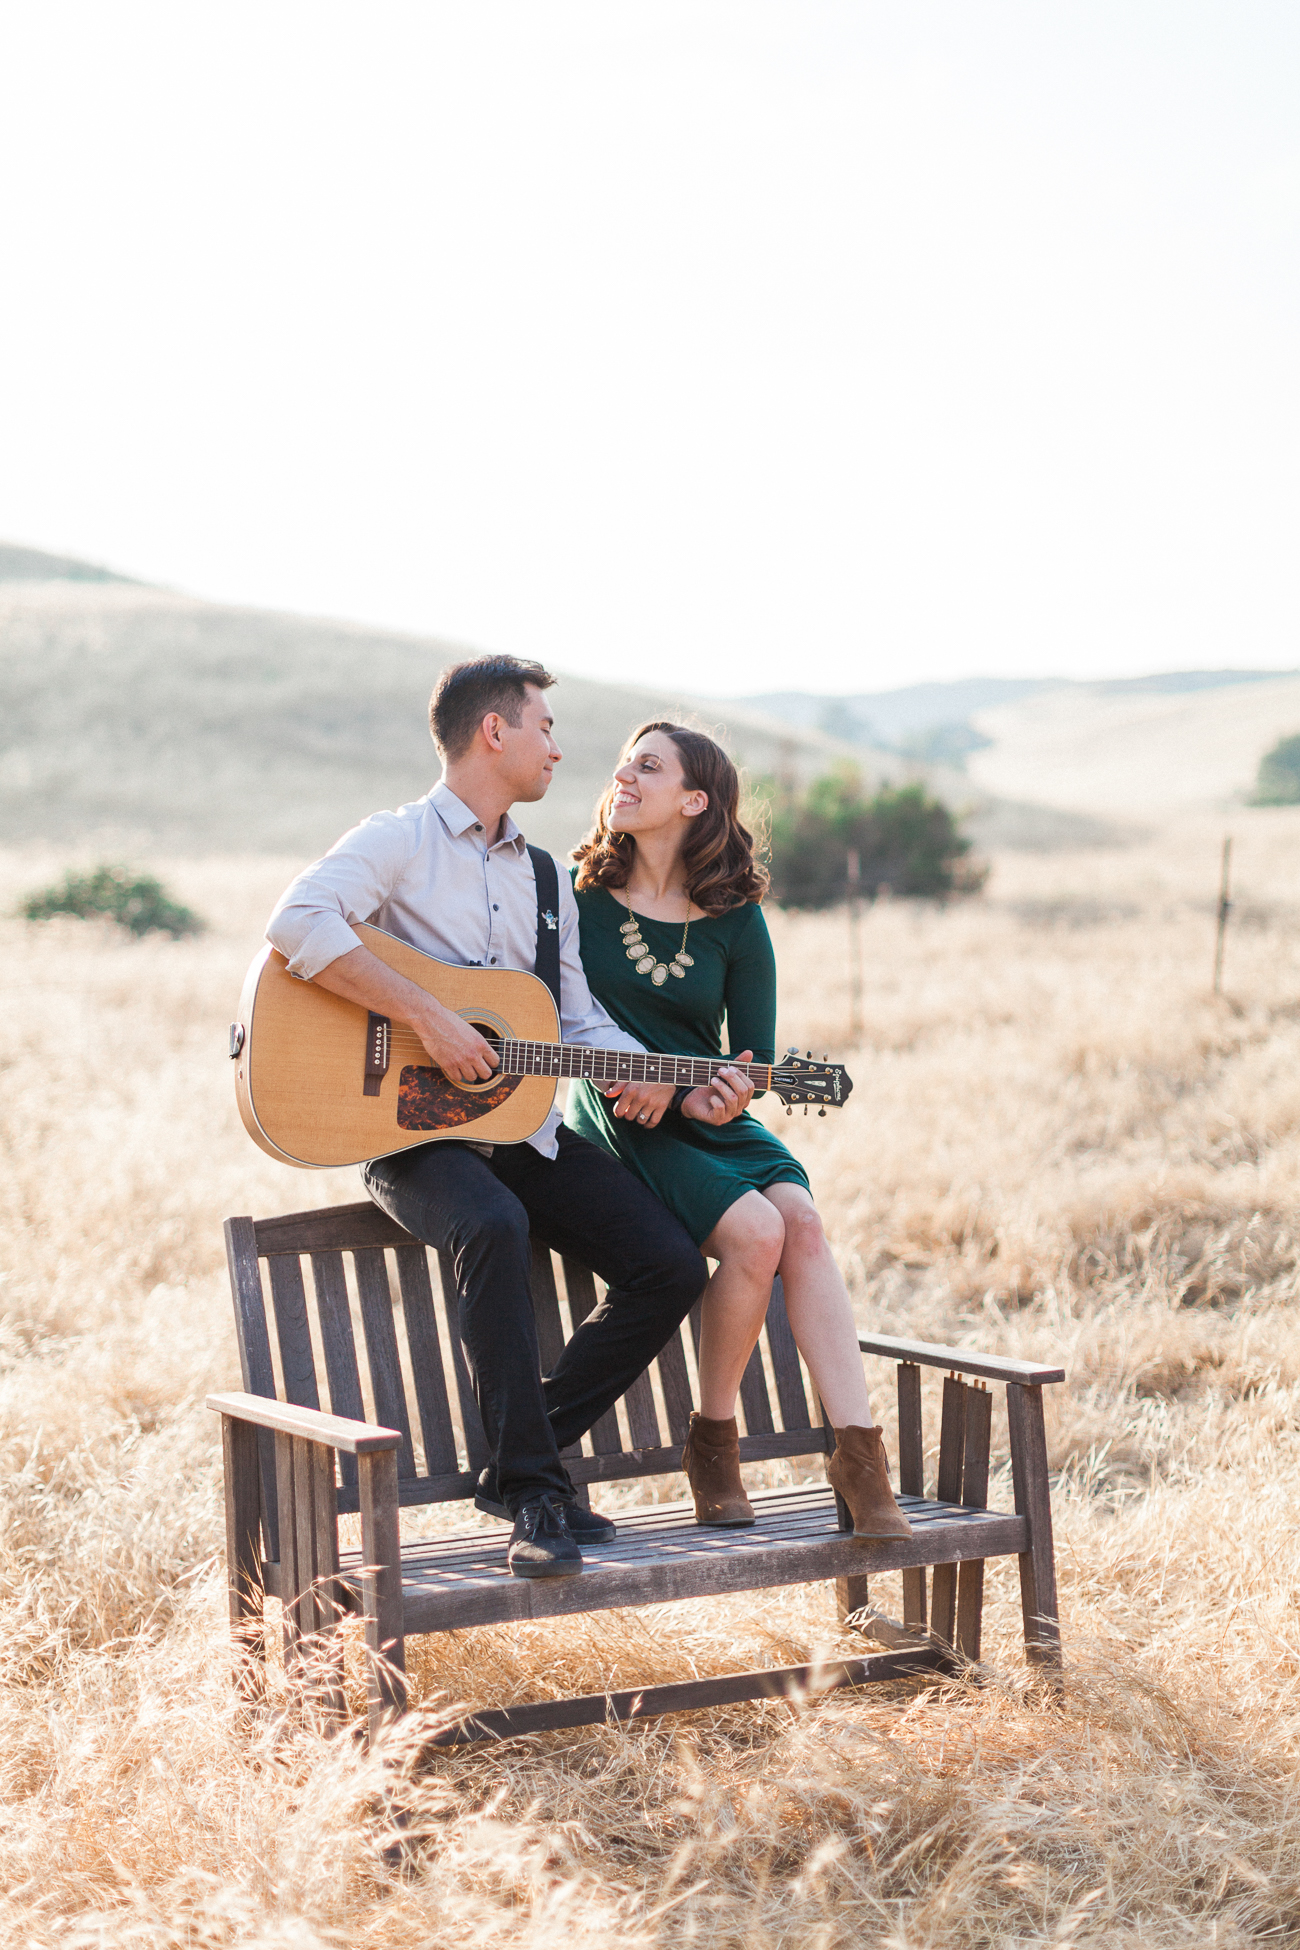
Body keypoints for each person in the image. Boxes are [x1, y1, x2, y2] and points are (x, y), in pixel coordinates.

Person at [264, 659, 739, 1581]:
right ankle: (533, 1491)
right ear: (494, 732)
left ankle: (517, 1455)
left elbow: (575, 1022)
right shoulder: (399, 839)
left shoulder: (546, 878)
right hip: (404, 1132)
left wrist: (674, 1080)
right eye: (545, 728)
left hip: (517, 1126)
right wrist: (427, 1015)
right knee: (491, 1220)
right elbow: (297, 920)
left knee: (670, 1263)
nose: (562, 749)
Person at [566, 720, 911, 1541]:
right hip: (620, 1118)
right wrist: (636, 1079)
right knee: (757, 1234)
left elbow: (750, 1061)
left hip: (705, 1119)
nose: (624, 774)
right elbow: (558, 1021)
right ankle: (714, 1442)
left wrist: (722, 1094)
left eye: (647, 766)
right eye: (624, 762)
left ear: (694, 800)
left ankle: (862, 1461)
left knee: (802, 1222)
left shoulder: (735, 918)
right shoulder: (575, 900)